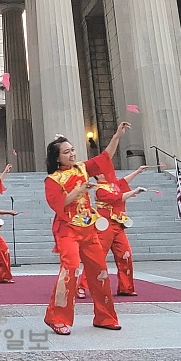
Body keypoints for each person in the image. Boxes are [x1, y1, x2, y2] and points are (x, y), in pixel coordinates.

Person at [43, 123, 131, 336]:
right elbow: (60, 203)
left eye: (72, 150)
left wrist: (117, 136)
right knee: (70, 269)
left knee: (99, 272)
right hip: (67, 229)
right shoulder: (52, 180)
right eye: (66, 152)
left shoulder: (82, 168)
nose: (72, 154)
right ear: (57, 158)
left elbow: (104, 158)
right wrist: (79, 189)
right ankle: (56, 317)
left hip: (89, 228)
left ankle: (105, 317)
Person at [77, 165, 150, 298]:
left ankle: (126, 287)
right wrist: (134, 192)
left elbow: (123, 182)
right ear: (98, 175)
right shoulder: (100, 189)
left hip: (118, 225)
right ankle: (82, 286)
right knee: (96, 258)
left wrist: (138, 171)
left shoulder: (112, 185)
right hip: (105, 226)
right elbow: (116, 198)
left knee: (125, 254)